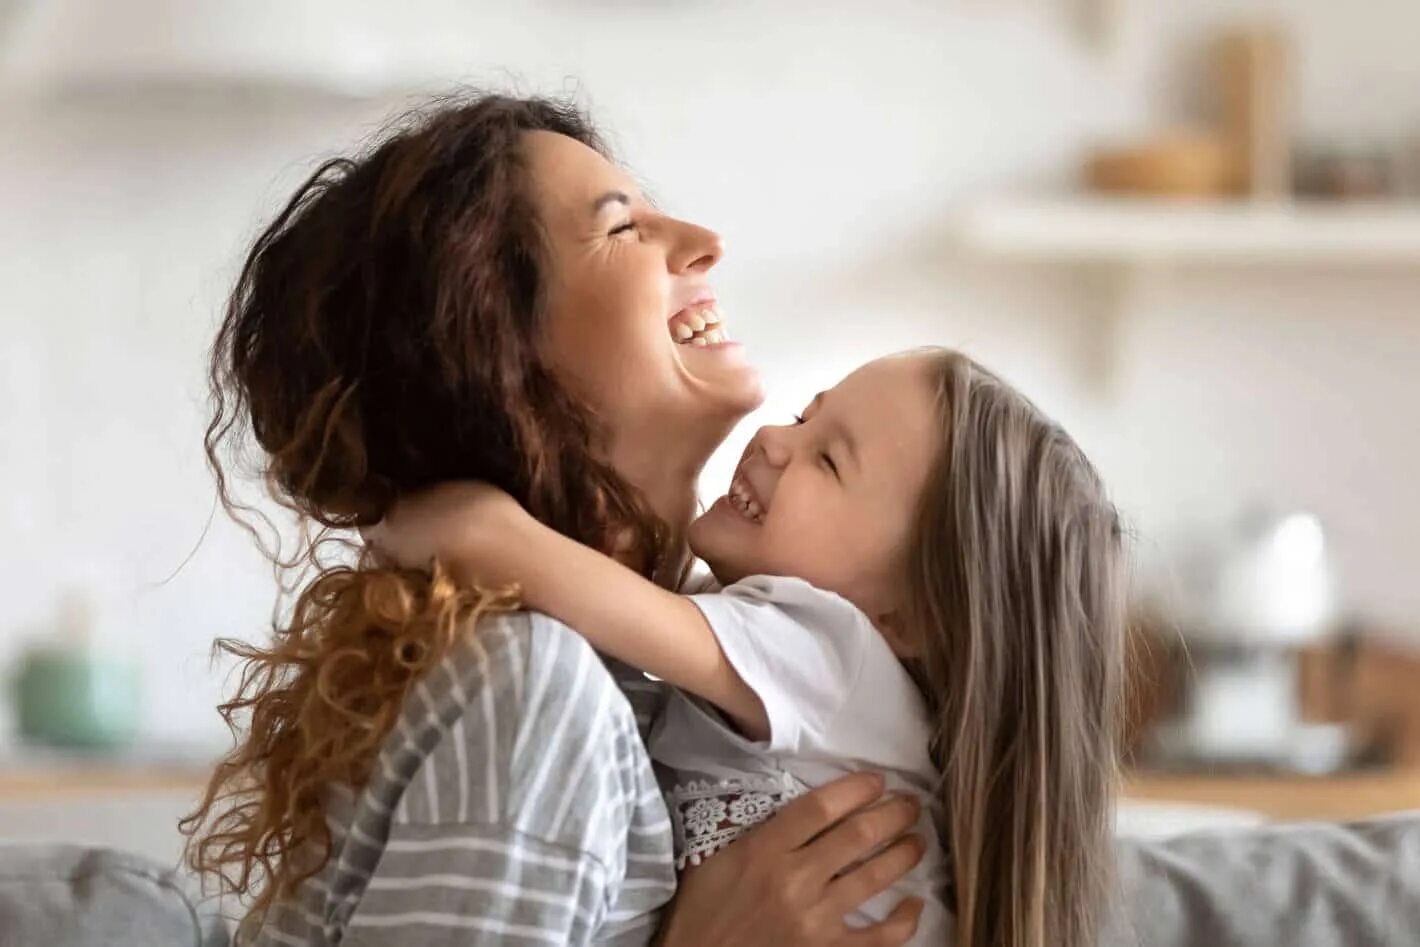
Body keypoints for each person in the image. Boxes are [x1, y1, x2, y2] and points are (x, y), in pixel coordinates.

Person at [180, 92, 927, 946]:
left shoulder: (669, 682)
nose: (705, 242)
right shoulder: (535, 691)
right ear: (502, 359)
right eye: (621, 229)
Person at [369, 348, 1127, 947]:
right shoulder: (792, 669)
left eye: (828, 460)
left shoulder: (832, 649)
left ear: (911, 616)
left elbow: (514, 556)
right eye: (805, 415)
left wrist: (439, 517)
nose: (774, 437)